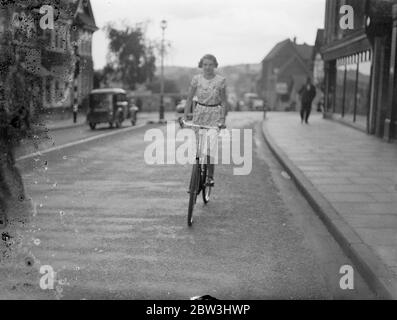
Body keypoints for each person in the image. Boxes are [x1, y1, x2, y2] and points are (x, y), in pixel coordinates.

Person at [182, 54, 227, 187]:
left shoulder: (220, 81)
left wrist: (222, 119)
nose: (207, 67)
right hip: (199, 113)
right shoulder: (196, 79)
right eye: (205, 65)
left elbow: (224, 101)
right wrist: (185, 116)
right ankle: (197, 171)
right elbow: (189, 99)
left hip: (214, 114)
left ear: (215, 66)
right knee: (198, 147)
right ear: (201, 65)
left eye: (210, 65)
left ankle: (210, 176)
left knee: (209, 148)